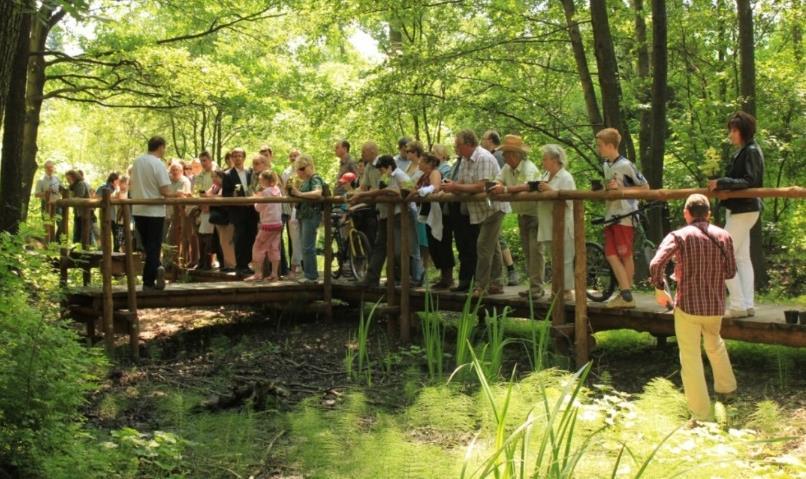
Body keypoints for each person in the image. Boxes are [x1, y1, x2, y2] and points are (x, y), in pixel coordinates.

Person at [650, 194, 738, 421]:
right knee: (715, 343)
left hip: (688, 306)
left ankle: (701, 415)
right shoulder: (724, 235)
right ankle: (727, 390)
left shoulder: (679, 236)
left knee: (690, 357)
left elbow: (656, 263)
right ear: (708, 213)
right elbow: (730, 272)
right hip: (715, 306)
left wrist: (660, 287)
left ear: (686, 213)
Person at [708, 111, 765, 319]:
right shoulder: (745, 150)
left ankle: (739, 304)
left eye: (733, 130)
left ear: (743, 131)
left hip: (744, 209)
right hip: (742, 210)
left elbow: (750, 181)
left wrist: (722, 182)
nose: (730, 135)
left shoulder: (750, 151)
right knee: (741, 258)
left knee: (720, 254)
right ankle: (747, 304)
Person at [442, 129, 510, 296]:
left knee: (483, 245)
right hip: (480, 210)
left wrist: (455, 187)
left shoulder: (484, 157)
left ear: (468, 144)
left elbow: (481, 185)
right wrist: (452, 185)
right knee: (492, 246)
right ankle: (496, 283)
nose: (456, 149)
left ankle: (481, 286)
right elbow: (463, 182)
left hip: (493, 208)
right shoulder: (465, 160)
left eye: (458, 145)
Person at [596, 128, 649, 308]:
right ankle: (625, 293)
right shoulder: (606, 165)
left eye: (600, 146)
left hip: (625, 215)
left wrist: (623, 191)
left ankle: (626, 296)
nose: (598, 149)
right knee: (610, 254)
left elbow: (645, 188)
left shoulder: (626, 165)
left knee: (624, 254)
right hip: (610, 214)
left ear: (610, 146)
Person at [489, 135, 545, 299]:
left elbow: (528, 186)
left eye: (505, 153)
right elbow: (497, 180)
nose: (503, 157)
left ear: (514, 154)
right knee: (528, 252)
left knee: (536, 252)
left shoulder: (529, 168)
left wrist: (505, 190)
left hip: (535, 215)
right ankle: (533, 287)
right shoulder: (507, 168)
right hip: (522, 214)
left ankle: (537, 289)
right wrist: (499, 186)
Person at [130, 136, 187, 290]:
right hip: (154, 211)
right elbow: (165, 190)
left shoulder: (137, 162)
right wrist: (178, 194)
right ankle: (149, 281)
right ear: (161, 147)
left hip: (138, 209)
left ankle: (157, 269)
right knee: (154, 246)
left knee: (148, 247)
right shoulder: (158, 164)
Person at [352, 155, 418, 287]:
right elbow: (380, 191)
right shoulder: (385, 178)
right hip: (385, 215)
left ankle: (406, 278)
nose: (380, 172)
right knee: (380, 246)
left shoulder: (401, 175)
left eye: (381, 169)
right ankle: (372, 278)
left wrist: (369, 194)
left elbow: (411, 190)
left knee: (400, 249)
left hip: (400, 215)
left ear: (389, 167)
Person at [536, 144, 576, 301]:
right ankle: (557, 287)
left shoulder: (566, 177)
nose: (542, 162)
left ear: (554, 160)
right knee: (555, 257)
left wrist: (548, 190)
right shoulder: (545, 175)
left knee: (565, 256)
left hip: (563, 224)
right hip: (548, 222)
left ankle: (566, 291)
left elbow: (569, 200)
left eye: (545, 159)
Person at [411, 152, 455, 289]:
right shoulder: (422, 176)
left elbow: (435, 187)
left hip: (439, 213)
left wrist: (422, 191)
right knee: (434, 244)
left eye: (422, 161)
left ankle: (448, 277)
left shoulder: (435, 173)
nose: (419, 163)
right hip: (428, 214)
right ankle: (443, 276)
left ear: (429, 163)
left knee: (442, 243)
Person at [483, 129, 519, 286]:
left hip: (498, 204)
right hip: (494, 201)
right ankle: (500, 275)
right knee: (496, 238)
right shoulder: (497, 156)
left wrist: (501, 188)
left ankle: (510, 271)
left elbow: (500, 180)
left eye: (483, 138)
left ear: (490, 140)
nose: (482, 141)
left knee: (498, 237)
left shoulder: (496, 156)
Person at [223, 148, 259, 277]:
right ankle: (240, 265)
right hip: (237, 211)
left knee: (252, 236)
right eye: (235, 156)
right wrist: (233, 196)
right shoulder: (227, 175)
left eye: (240, 156)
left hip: (251, 210)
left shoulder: (251, 172)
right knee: (240, 237)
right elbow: (225, 195)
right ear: (231, 158)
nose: (237, 158)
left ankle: (250, 263)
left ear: (244, 157)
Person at [289, 154, 324, 283]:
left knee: (308, 247)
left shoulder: (315, 178)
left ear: (310, 166)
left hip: (311, 216)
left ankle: (311, 276)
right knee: (305, 246)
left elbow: (317, 193)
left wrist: (299, 194)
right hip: (303, 216)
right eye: (299, 169)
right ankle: (309, 274)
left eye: (303, 168)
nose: (300, 172)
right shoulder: (304, 182)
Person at [247, 171, 284, 282]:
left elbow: (258, 208)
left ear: (266, 180)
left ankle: (258, 273)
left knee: (258, 247)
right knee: (274, 247)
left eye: (261, 179)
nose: (259, 181)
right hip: (277, 223)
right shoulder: (277, 190)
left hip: (267, 224)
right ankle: (274, 274)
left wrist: (256, 199)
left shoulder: (265, 192)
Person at [208, 171, 236, 272]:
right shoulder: (215, 188)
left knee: (227, 241)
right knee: (222, 241)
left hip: (226, 217)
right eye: (212, 177)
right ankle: (227, 263)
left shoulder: (225, 187)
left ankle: (231, 265)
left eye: (215, 177)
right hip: (219, 218)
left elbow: (223, 198)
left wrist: (211, 198)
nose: (214, 179)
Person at [193, 151, 216, 270]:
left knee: (209, 236)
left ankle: (209, 262)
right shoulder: (200, 175)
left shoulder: (216, 173)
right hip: (202, 208)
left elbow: (217, 188)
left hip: (214, 207)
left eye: (205, 160)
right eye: (201, 161)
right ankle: (202, 261)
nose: (203, 163)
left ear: (210, 160)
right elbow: (197, 190)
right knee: (201, 235)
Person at [282, 149, 302, 278]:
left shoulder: (305, 171)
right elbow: (284, 189)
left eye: (296, 156)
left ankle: (303, 264)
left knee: (303, 236)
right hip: (291, 207)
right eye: (291, 156)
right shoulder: (286, 172)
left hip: (303, 206)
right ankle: (294, 264)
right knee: (292, 237)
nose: (294, 158)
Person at [65, 169, 95, 245]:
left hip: (85, 212)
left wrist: (69, 199)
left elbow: (79, 198)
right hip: (78, 213)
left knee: (86, 233)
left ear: (73, 177)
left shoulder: (80, 184)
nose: (68, 181)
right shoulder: (72, 186)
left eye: (69, 179)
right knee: (77, 233)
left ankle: (87, 250)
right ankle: (77, 250)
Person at [35, 160, 62, 235]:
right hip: (46, 204)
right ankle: (47, 244)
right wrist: (46, 192)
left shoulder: (57, 179)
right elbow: (36, 194)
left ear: (53, 168)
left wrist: (56, 191)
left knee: (61, 224)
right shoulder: (40, 180)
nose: (50, 169)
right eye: (48, 167)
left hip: (57, 203)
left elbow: (62, 191)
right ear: (45, 168)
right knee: (47, 224)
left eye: (51, 167)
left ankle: (58, 242)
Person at [96, 172, 121, 250]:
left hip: (115, 215)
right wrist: (111, 197)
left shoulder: (117, 189)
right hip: (106, 214)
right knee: (106, 234)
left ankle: (115, 251)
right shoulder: (103, 187)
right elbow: (96, 198)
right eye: (118, 180)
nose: (119, 182)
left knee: (116, 234)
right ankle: (104, 251)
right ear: (114, 180)